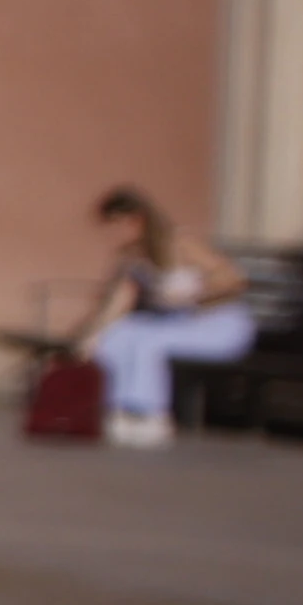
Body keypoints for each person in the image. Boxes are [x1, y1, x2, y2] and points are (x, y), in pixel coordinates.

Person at [76, 184, 251, 449]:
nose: (111, 235)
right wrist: (93, 334)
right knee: (120, 335)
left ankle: (150, 414)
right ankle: (118, 409)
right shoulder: (132, 258)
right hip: (177, 324)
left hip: (217, 324)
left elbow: (233, 280)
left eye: (116, 225)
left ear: (137, 220)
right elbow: (119, 302)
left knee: (150, 343)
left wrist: (195, 293)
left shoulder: (180, 243)